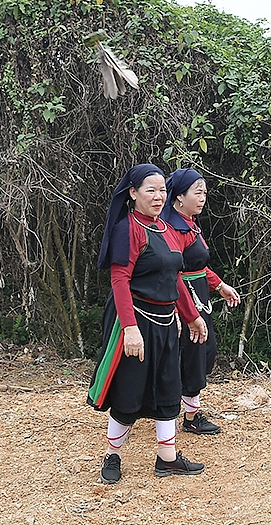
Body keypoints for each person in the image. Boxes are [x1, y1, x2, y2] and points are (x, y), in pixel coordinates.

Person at [88, 164, 210, 484]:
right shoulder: (128, 228)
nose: (158, 197)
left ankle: (167, 459)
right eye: (150, 191)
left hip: (167, 323)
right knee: (129, 391)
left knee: (169, 387)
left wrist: (191, 316)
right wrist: (129, 328)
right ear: (133, 193)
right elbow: (119, 279)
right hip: (137, 321)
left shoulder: (168, 230)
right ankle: (113, 455)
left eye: (162, 191)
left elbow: (176, 278)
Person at [161, 168, 241, 436]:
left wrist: (220, 286)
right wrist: (175, 307)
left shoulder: (192, 224)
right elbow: (170, 270)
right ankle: (183, 414)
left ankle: (187, 410)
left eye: (205, 192)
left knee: (204, 352)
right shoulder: (171, 229)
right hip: (180, 297)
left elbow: (199, 266)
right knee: (187, 354)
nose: (203, 197)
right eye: (198, 192)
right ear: (180, 197)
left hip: (199, 295)